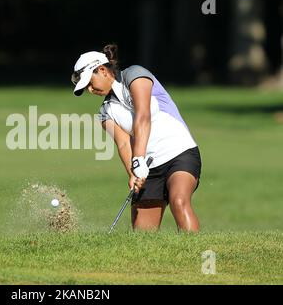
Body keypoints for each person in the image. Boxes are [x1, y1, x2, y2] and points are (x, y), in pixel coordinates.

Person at [71, 44, 202, 232]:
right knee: (142, 234)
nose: (90, 90)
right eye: (86, 88)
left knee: (179, 200)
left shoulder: (136, 75)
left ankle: (195, 254)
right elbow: (123, 143)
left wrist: (138, 158)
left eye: (90, 83)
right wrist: (133, 172)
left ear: (102, 70)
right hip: (147, 167)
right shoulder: (104, 113)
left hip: (180, 152)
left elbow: (143, 117)